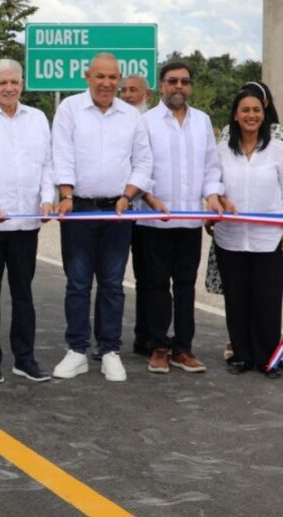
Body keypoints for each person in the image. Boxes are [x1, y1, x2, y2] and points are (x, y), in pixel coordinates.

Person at [50, 53, 153, 382]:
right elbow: (61, 154)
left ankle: (109, 350)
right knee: (78, 282)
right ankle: (76, 350)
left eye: (112, 77)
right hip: (78, 208)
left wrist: (127, 196)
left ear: (119, 79)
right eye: (100, 77)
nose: (107, 83)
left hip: (118, 211)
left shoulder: (132, 116)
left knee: (112, 284)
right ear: (87, 76)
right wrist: (66, 195)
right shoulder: (70, 109)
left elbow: (143, 162)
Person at [210, 80, 283, 360]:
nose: (251, 115)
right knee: (236, 299)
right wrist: (216, 204)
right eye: (245, 110)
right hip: (230, 238)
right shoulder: (221, 150)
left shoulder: (279, 149)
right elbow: (212, 184)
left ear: (264, 113)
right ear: (235, 115)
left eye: (256, 110)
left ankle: (268, 356)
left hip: (269, 238)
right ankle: (241, 355)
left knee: (267, 299)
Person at [135, 62, 224, 375]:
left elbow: (211, 167)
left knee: (186, 286)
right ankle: (159, 347)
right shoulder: (146, 122)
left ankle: (183, 348)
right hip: (154, 220)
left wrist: (212, 195)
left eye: (184, 82)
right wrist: (148, 197)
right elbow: (139, 166)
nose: (178, 86)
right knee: (157, 285)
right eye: (172, 81)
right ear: (161, 85)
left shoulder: (202, 121)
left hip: (190, 220)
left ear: (190, 87)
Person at [0, 58, 53, 384]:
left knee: (23, 294)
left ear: (22, 84)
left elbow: (47, 164)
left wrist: (47, 199)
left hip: (26, 223)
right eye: (2, 83)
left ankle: (25, 359)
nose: (9, 88)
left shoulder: (37, 118)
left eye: (14, 82)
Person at [115, 73, 154, 360]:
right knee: (111, 279)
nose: (128, 95)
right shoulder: (116, 122)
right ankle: (108, 340)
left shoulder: (152, 123)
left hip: (145, 215)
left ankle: (146, 337)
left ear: (147, 95)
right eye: (124, 90)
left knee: (148, 278)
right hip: (116, 212)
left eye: (134, 90)